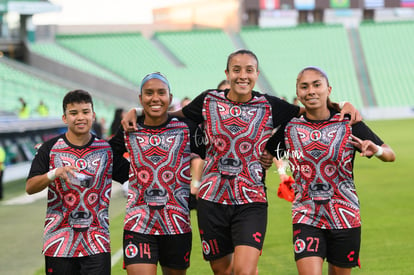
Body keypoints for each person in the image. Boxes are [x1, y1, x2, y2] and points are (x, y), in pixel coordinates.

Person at [121, 50, 360, 275]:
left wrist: (342, 104)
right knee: (223, 271)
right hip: (211, 201)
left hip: (251, 201)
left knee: (244, 270)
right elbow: (170, 116)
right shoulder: (208, 100)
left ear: (257, 74)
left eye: (249, 70)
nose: (242, 75)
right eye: (236, 70)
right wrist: (137, 112)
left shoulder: (270, 105)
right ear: (227, 74)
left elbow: (309, 107)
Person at [266, 66, 395, 275]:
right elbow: (266, 152)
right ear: (298, 93)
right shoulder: (290, 127)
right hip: (306, 215)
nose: (311, 91)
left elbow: (390, 154)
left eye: (317, 85)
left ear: (329, 89)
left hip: (344, 214)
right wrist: (279, 172)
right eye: (304, 86)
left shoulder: (348, 122)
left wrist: (377, 150)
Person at [109, 72, 205, 275]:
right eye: (149, 93)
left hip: (177, 224)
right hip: (138, 224)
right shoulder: (129, 128)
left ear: (170, 98)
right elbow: (106, 156)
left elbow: (213, 152)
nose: (155, 98)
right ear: (140, 98)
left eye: (161, 93)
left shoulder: (187, 128)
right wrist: (128, 176)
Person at [26, 89, 129, 275]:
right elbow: (30, 187)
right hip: (58, 242)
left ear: (93, 115)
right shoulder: (49, 149)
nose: (80, 117)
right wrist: (54, 173)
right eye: (73, 113)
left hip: (96, 242)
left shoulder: (106, 150)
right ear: (65, 118)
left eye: (85, 112)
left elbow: (132, 178)